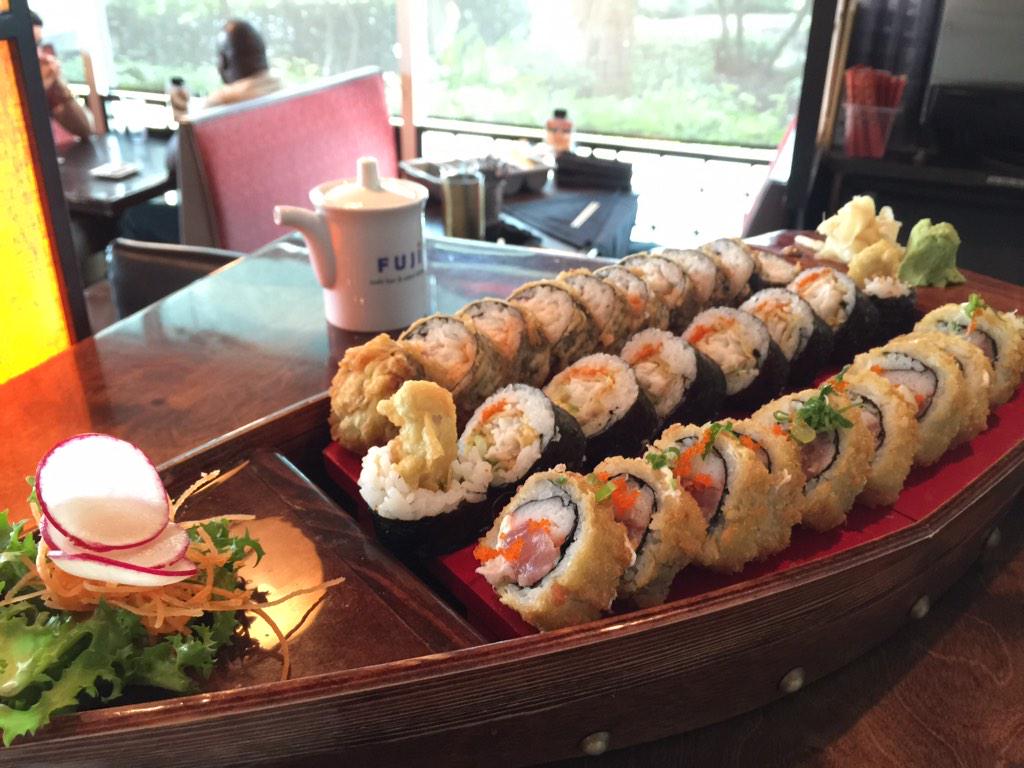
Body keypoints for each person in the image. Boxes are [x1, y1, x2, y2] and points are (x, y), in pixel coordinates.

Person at [119, 19, 284, 244]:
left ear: (223, 61)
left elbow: (174, 161)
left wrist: (183, 117)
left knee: (133, 218)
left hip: (228, 232)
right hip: (272, 219)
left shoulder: (223, 106)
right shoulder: (282, 91)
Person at [31, 10, 92, 141]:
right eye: (30, 45)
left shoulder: (43, 76)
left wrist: (55, 81)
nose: (40, 55)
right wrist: (40, 88)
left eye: (38, 44)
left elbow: (84, 128)